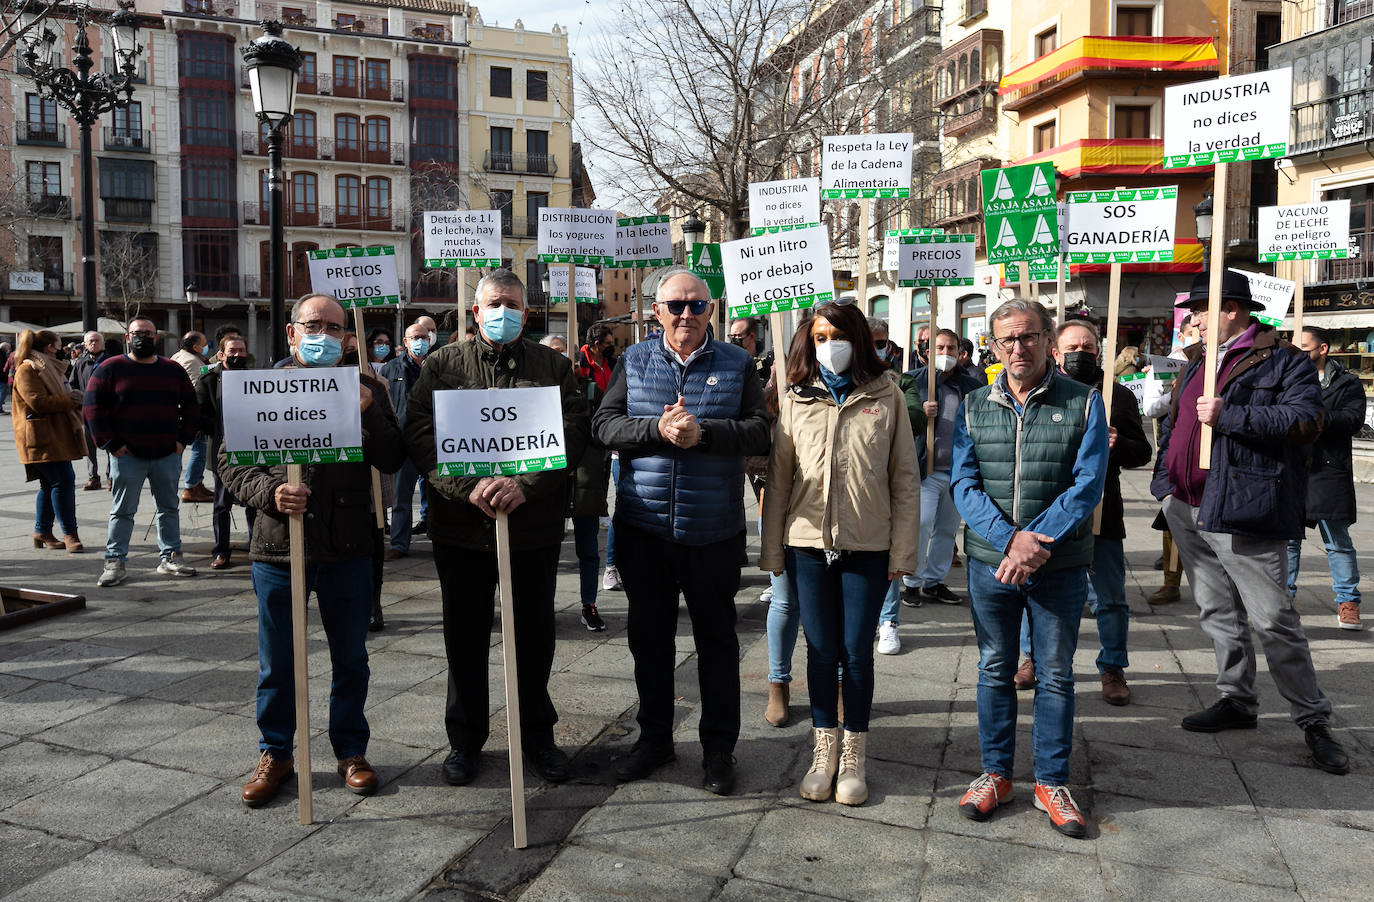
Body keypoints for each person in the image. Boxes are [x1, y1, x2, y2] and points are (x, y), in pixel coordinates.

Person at [1154, 269, 1349, 775]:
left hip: (1242, 505)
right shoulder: (1199, 359)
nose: (1192, 319)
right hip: (1186, 503)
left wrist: (1231, 416)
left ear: (1232, 311)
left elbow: (1307, 422)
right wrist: (1164, 480)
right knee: (1216, 611)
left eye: (1200, 310)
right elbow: (1178, 421)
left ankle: (1313, 720)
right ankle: (1236, 699)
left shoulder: (1285, 361)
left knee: (1272, 618)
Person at [404, 269, 590, 788]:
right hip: (460, 530)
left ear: (525, 313)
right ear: (475, 311)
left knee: (533, 637)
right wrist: (469, 487)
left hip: (531, 529)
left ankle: (538, 738)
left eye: (511, 303)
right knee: (463, 639)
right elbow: (420, 433)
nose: (502, 311)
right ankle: (465, 741)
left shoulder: (553, 367)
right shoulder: (442, 365)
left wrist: (523, 485)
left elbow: (573, 432)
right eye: (493, 303)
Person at [593, 269, 770, 795]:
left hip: (712, 530)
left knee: (717, 644)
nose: (685, 315)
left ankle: (719, 750)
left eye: (696, 306)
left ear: (712, 311)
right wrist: (657, 429)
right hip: (644, 529)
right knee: (650, 642)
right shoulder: (635, 360)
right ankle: (654, 740)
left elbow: (761, 429)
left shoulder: (738, 363)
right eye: (675, 305)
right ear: (656, 310)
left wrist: (705, 433)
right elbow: (604, 424)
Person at [223, 293, 404, 807]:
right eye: (312, 325)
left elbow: (394, 456)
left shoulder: (369, 386)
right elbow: (230, 462)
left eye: (333, 327)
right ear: (291, 332)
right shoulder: (261, 387)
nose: (322, 335)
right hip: (279, 549)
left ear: (348, 337)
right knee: (276, 663)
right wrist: (270, 494)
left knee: (350, 659)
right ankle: (276, 754)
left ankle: (350, 751)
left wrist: (368, 416)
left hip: (347, 546)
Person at [951, 298, 1107, 839]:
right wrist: (1008, 540)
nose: (1018, 348)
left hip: (1059, 562)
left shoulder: (1085, 402)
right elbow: (963, 485)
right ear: (992, 346)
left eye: (1029, 337)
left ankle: (1052, 780)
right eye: (1006, 340)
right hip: (991, 564)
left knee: (1056, 673)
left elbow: (1087, 485)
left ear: (1047, 340)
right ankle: (995, 773)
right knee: (995, 666)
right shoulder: (974, 404)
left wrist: (1034, 542)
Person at [761, 303, 919, 806]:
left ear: (859, 338)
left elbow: (905, 479)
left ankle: (854, 755)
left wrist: (903, 551)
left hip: (867, 544)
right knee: (821, 649)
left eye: (839, 334)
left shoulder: (886, 395)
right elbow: (779, 479)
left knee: (856, 653)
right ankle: (823, 749)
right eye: (821, 335)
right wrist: (772, 552)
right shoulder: (796, 398)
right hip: (807, 543)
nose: (831, 344)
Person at [1033, 319, 1152, 705]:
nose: (1080, 354)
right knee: (1036, 588)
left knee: (1110, 595)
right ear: (1055, 351)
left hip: (1103, 507)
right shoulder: (1042, 391)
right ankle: (1032, 659)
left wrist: (1116, 443)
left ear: (1099, 351)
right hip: (1049, 506)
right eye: (1073, 348)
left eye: (1087, 348)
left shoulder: (1115, 394)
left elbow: (1142, 452)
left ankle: (1112, 667)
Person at [84, 318, 201, 587]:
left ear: (156, 338)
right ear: (128, 337)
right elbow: (92, 409)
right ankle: (114, 562)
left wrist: (183, 440)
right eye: (137, 333)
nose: (142, 338)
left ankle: (171, 556)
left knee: (168, 507)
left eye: (148, 333)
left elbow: (192, 406)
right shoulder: (109, 368)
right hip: (127, 456)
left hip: (167, 454)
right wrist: (111, 444)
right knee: (122, 511)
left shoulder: (172, 370)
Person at [895, 328, 982, 620]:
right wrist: (919, 411)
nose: (946, 354)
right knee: (921, 524)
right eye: (940, 348)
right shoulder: (912, 381)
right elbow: (898, 420)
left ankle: (934, 580)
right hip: (925, 468)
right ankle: (912, 581)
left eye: (951, 348)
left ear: (960, 352)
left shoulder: (970, 385)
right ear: (928, 351)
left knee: (947, 529)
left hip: (956, 470)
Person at [1288, 325, 1365, 630]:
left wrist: (1318, 416)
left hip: (1328, 469)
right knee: (1288, 541)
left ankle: (1348, 602)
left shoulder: (1347, 383)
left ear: (1322, 349)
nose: (1298, 353)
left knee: (1337, 541)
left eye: (1304, 348)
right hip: (1293, 467)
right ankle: (1283, 598)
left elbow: (1353, 419)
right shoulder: (1287, 378)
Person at [11, 329, 87, 553]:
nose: (63, 350)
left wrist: (71, 398)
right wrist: (70, 399)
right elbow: (38, 402)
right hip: (39, 437)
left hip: (54, 435)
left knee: (50, 484)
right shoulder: (28, 368)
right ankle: (69, 533)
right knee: (63, 481)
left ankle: (42, 531)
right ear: (48, 348)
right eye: (59, 346)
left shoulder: (50, 367)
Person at [1144, 312, 1200, 606]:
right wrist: (1175, 396)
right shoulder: (1163, 367)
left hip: (1209, 445)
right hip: (1175, 445)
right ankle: (1171, 580)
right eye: (1194, 331)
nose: (1200, 335)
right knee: (1172, 512)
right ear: (1182, 336)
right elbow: (1150, 408)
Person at [570, 323, 617, 630]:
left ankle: (589, 603)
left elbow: (605, 422)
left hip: (587, 477)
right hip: (550, 481)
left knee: (588, 549)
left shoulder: (595, 388)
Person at [198, 334, 256, 570]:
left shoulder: (256, 378)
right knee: (222, 504)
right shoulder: (208, 380)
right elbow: (199, 413)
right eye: (232, 351)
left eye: (241, 350)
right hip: (222, 452)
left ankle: (256, 547)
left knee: (254, 501)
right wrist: (221, 429)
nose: (237, 355)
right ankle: (221, 550)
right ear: (221, 354)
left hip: (252, 450)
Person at [379, 323, 432, 560]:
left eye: (424, 337)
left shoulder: (437, 365)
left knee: (440, 493)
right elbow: (383, 404)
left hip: (432, 441)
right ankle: (399, 544)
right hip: (404, 441)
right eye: (416, 337)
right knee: (401, 497)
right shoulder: (391, 369)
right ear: (406, 341)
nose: (421, 341)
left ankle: (441, 537)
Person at [172, 331, 214, 503]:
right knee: (200, 449)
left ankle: (196, 483)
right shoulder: (191, 361)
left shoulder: (178, 356)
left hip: (180, 412)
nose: (206, 348)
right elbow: (198, 389)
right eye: (204, 344)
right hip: (193, 413)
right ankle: (191, 486)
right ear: (196, 346)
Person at [68, 331, 108, 490]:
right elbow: (73, 385)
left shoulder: (111, 361)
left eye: (97, 341)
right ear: (84, 345)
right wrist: (79, 402)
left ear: (103, 343)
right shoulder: (80, 363)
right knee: (89, 446)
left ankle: (110, 476)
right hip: (87, 412)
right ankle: (93, 478)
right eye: (90, 341)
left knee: (110, 445)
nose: (94, 343)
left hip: (107, 411)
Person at [0, 340, 11, 413]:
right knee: (2, 392)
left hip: (1, 377)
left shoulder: (2, 354)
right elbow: (4, 367)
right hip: (1, 377)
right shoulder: (2, 355)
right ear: (5, 348)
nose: (9, 349)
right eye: (8, 348)